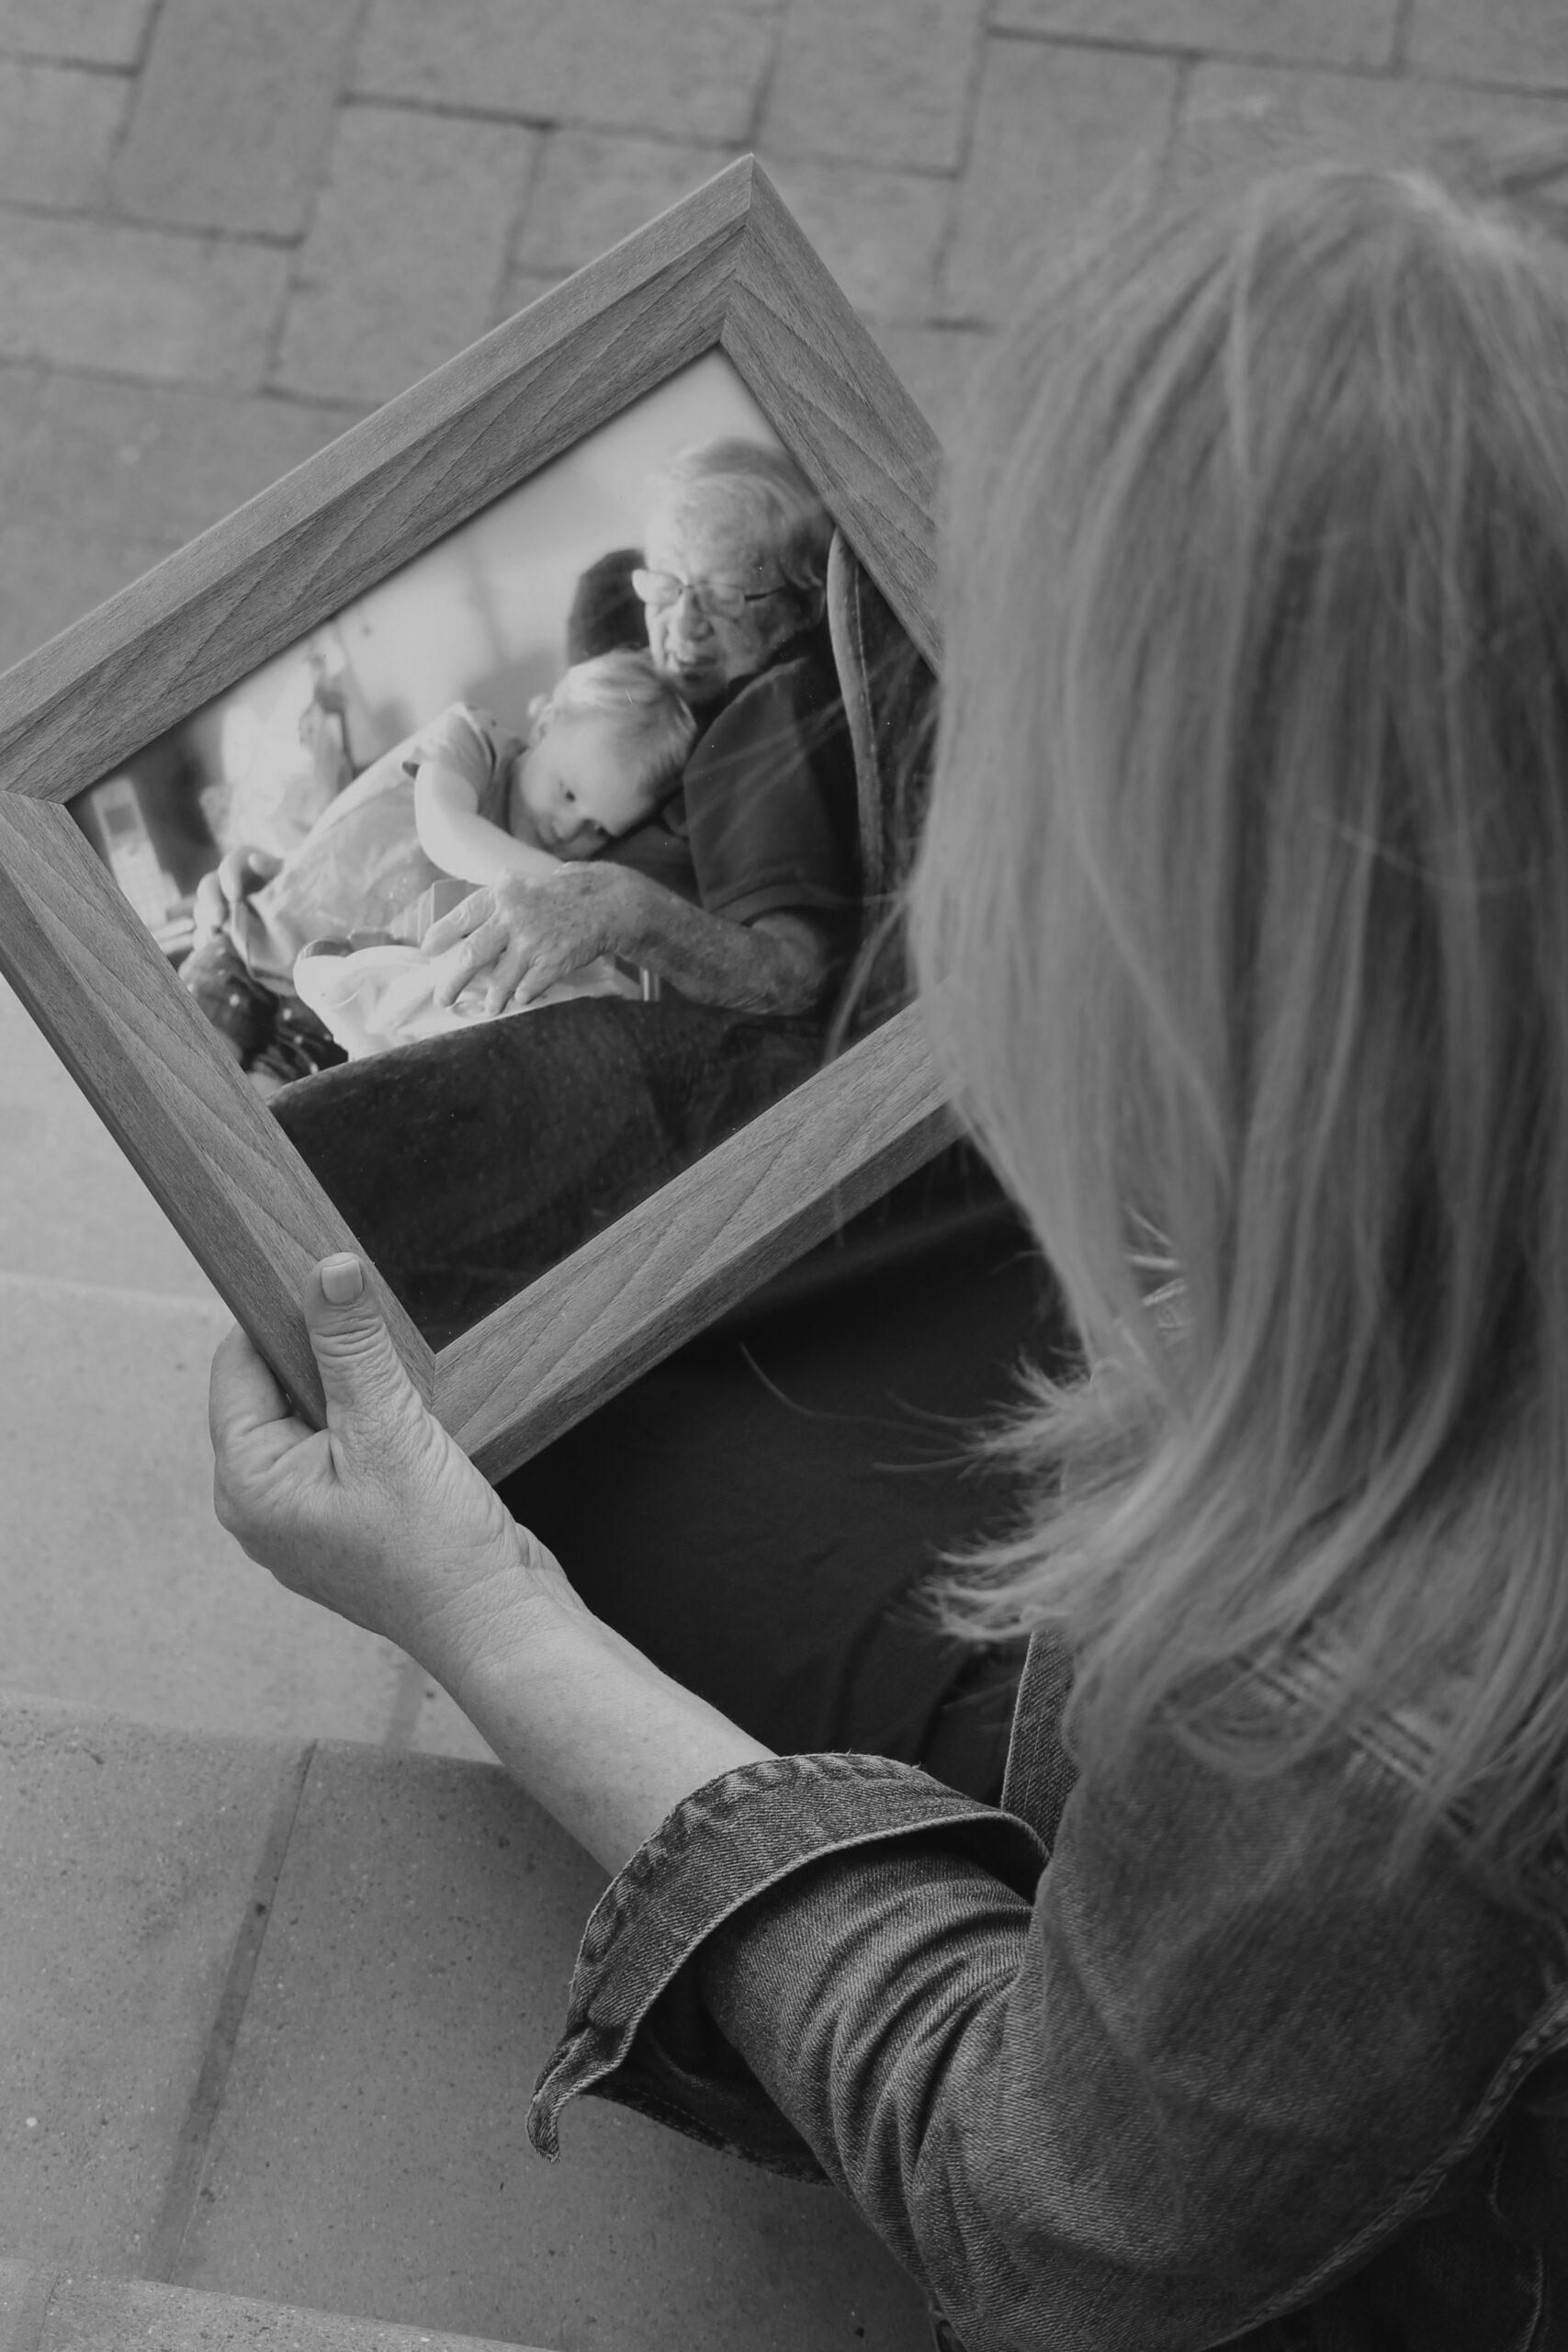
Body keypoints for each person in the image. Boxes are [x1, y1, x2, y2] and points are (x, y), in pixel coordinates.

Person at [209, 127, 1568, 2346]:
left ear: (1278, 1006)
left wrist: (467, 1610)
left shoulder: (1338, 1710)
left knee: (590, 1451)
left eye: (1043, 745)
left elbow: (1040, 2216)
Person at [182, 650, 694, 1075]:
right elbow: (444, 830)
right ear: (545, 724)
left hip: (333, 1014)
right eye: (567, 792)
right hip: (260, 942)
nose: (569, 827)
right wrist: (571, 888)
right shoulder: (473, 740)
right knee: (185, 1072)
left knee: (251, 1137)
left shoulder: (531, 896)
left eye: (599, 829)